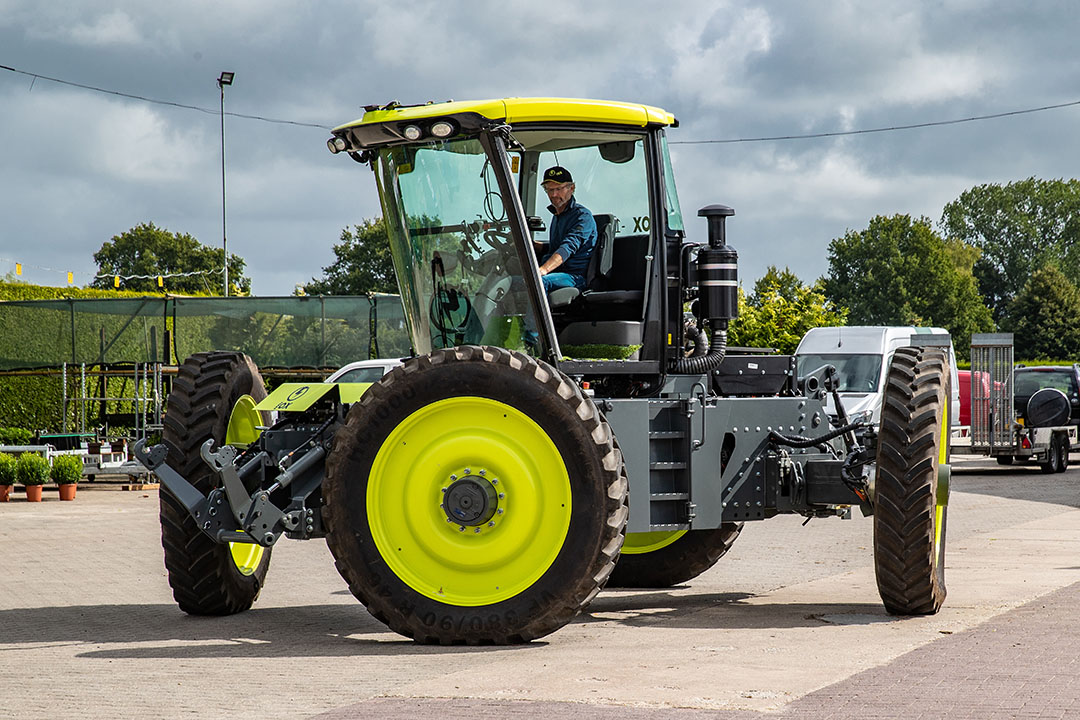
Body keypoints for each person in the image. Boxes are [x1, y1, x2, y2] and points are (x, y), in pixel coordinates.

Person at [535, 166, 597, 293]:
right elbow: (557, 247)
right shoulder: (558, 216)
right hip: (557, 272)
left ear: (572, 188)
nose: (554, 195)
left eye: (558, 189)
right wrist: (537, 246)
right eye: (550, 190)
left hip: (575, 277)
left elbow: (567, 248)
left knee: (537, 282)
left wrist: (543, 270)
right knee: (511, 281)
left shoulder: (582, 216)